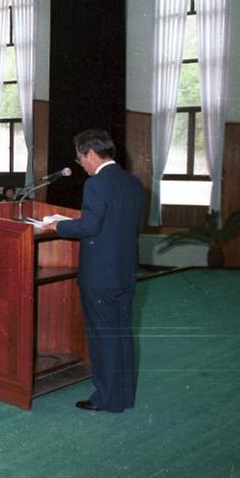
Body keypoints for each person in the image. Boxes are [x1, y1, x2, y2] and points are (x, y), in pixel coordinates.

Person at [44, 129, 145, 414]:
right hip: (125, 272)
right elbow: (135, 226)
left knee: (103, 337)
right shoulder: (133, 182)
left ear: (90, 153)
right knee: (121, 334)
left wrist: (57, 226)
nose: (82, 166)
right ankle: (123, 397)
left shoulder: (97, 184)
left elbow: (90, 227)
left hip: (100, 276)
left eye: (80, 160)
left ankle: (105, 399)